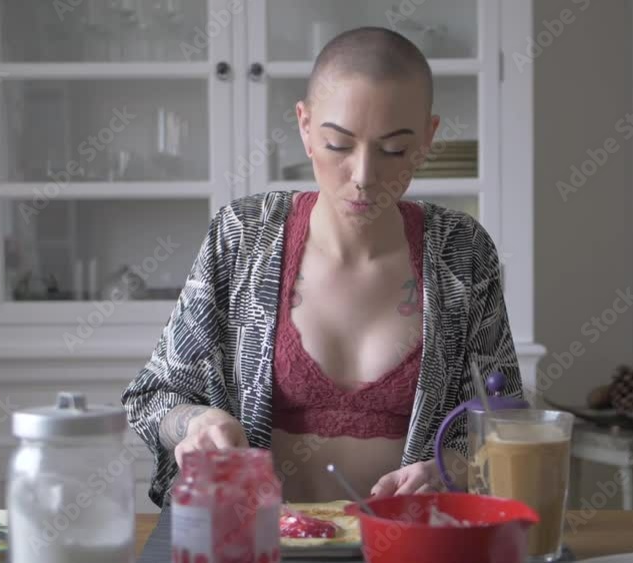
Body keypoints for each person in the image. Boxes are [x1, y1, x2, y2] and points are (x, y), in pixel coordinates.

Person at [122, 26, 522, 508]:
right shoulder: (243, 236)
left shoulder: (461, 250)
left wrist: (451, 467)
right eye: (338, 144)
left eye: (394, 149)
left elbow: (505, 421)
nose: (364, 175)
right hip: (256, 538)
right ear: (306, 127)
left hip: (405, 540)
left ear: (427, 138)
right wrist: (197, 422)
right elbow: (152, 397)